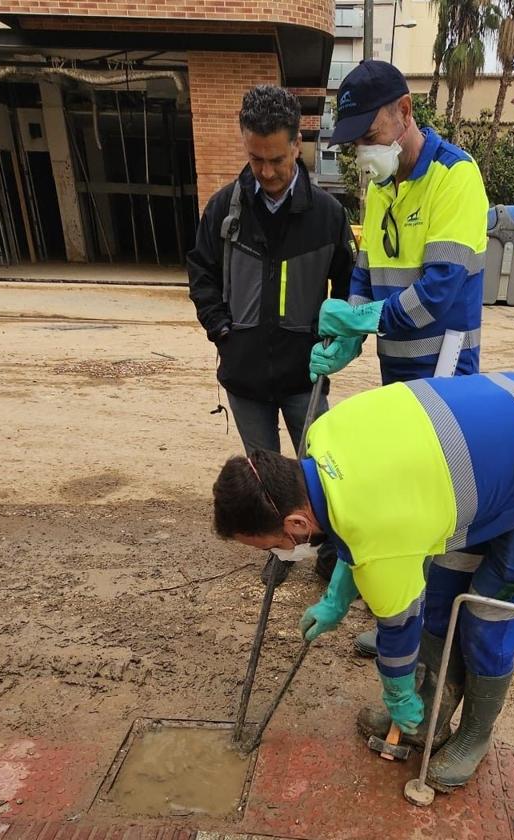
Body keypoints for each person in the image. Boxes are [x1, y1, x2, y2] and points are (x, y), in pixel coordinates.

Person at [211, 373, 514, 791]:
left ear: (297, 523)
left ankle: (475, 733)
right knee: (444, 593)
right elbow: (353, 527)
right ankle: (431, 711)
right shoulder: (325, 436)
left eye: (274, 544)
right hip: (504, 444)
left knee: (487, 613)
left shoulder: (379, 534)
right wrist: (336, 598)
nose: (281, 551)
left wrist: (397, 694)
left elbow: (397, 627)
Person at [305, 60, 490, 654]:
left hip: (443, 361)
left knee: (431, 499)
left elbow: (439, 289)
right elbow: (365, 267)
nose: (364, 149)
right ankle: (396, 615)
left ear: (405, 113)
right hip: (396, 360)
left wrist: (363, 319)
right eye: (355, 140)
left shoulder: (455, 177)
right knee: (396, 486)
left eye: (371, 134)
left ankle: (425, 629)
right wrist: (351, 329)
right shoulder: (380, 186)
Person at [188, 85, 355, 584]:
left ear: (297, 147)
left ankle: (327, 552)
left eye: (277, 159)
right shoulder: (224, 209)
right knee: (264, 474)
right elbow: (201, 273)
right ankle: (280, 548)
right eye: (256, 158)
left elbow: (349, 286)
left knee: (320, 471)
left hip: (306, 375)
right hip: (245, 376)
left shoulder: (327, 214)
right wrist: (222, 330)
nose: (266, 171)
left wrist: (338, 341)